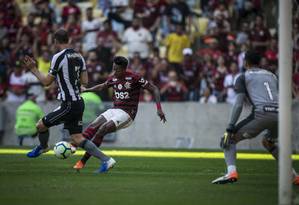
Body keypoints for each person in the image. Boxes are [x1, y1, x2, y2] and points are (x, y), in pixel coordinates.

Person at [22, 29, 115, 173]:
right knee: (78, 138)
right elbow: (85, 81)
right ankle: (107, 160)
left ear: (55, 41)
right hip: (78, 102)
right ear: (69, 39)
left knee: (40, 126)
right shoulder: (79, 56)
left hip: (69, 104)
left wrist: (33, 69)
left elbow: (47, 82)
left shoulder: (58, 57)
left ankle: (43, 146)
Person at [212, 50, 299, 185]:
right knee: (268, 142)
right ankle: (294, 175)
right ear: (260, 62)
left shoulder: (243, 76)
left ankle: (231, 172)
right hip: (281, 115)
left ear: (245, 62)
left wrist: (230, 127)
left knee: (228, 139)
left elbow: (239, 104)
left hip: (261, 114)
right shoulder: (272, 75)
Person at [73, 56, 166, 170]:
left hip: (127, 114)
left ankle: (83, 161)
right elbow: (102, 86)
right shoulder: (114, 78)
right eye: (113, 68)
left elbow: (154, 89)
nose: (114, 71)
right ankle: (73, 146)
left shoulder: (134, 77)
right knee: (94, 125)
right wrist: (87, 89)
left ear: (123, 69)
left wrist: (159, 108)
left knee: (102, 129)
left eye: (116, 69)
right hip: (115, 110)